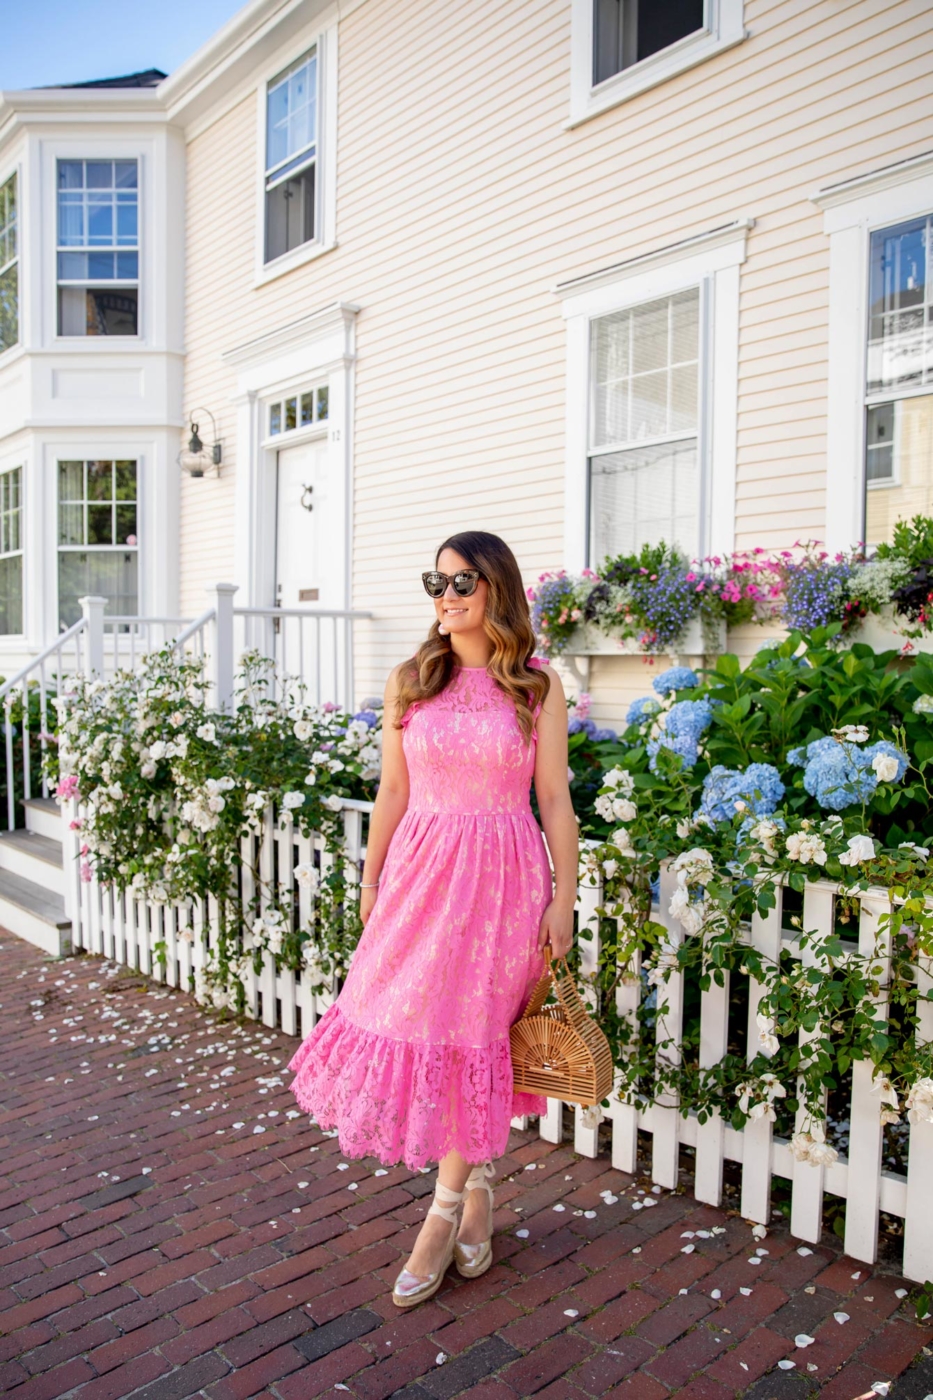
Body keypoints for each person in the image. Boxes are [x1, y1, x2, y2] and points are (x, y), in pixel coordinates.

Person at [288, 530, 579, 1308]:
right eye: (437, 583)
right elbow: (392, 791)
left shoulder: (537, 688)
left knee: (476, 1030)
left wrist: (563, 897)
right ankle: (478, 1187)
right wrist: (371, 877)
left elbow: (553, 799)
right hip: (422, 872)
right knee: (423, 1022)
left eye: (461, 584)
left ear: (496, 591)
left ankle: (444, 1212)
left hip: (503, 879)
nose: (445, 598)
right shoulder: (411, 680)